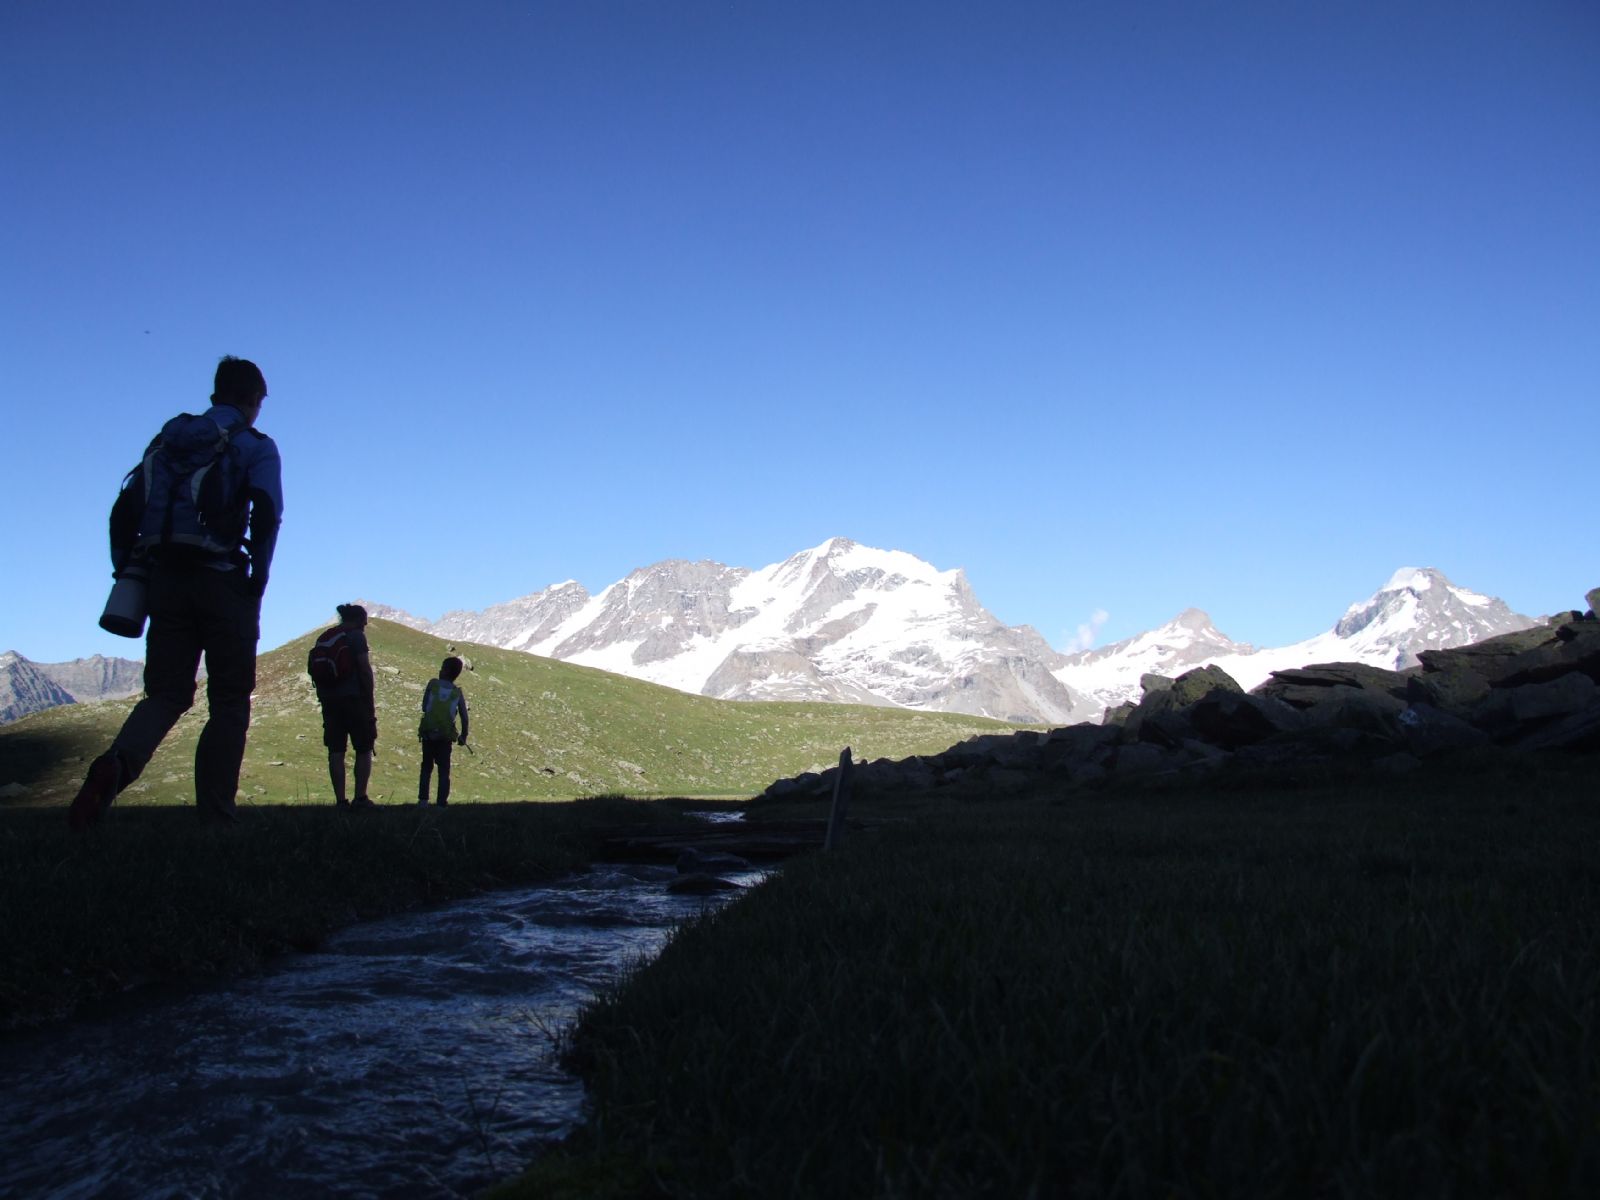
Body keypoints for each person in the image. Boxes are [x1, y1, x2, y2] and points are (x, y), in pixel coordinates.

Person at [69, 356, 282, 829]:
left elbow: (122, 512)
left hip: (164, 581)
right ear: (253, 400)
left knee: (165, 694)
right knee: (229, 700)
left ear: (214, 395)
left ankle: (115, 766)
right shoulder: (255, 446)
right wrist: (259, 579)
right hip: (223, 580)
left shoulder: (166, 443)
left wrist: (127, 573)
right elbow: (267, 514)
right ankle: (216, 818)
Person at [314, 604, 378, 809]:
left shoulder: (326, 636)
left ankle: (340, 801)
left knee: (336, 750)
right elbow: (364, 669)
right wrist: (369, 698)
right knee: (363, 747)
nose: (365, 626)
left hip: (330, 701)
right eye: (364, 622)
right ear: (357, 620)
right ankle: (360, 798)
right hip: (354, 699)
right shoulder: (356, 637)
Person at [417, 656, 469, 807]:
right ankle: (441, 803)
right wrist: (464, 735)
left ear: (445, 671)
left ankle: (423, 801)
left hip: (428, 733)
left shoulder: (432, 684)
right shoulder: (457, 693)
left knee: (426, 767)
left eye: (442, 668)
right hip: (445, 736)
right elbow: (464, 717)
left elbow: (424, 706)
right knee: (444, 771)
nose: (439, 670)